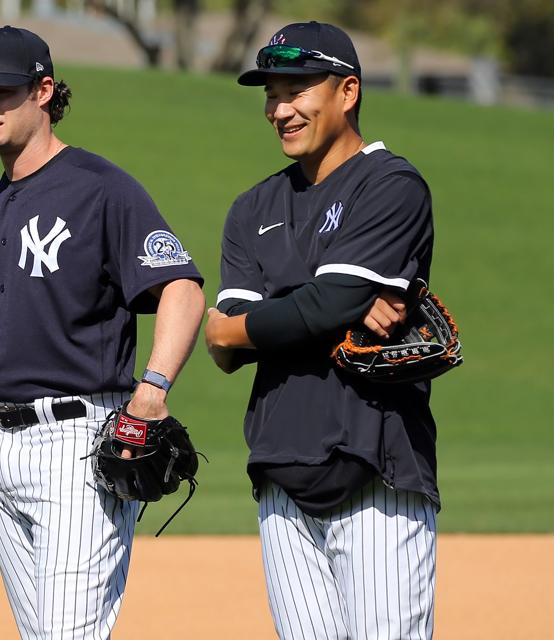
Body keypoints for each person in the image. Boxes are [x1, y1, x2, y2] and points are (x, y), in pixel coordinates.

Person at [0, 26, 205, 640]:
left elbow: (182, 289)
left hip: (78, 447)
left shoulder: (100, 189)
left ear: (44, 91)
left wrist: (153, 390)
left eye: (2, 91)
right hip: (1, 450)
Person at [205, 21, 439, 639]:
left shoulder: (391, 185)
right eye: (271, 93)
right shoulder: (251, 209)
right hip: (281, 469)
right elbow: (222, 345)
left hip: (376, 464)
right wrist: (329, 305)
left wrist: (299, 310)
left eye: (298, 88)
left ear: (348, 90)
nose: (281, 108)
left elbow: (306, 308)